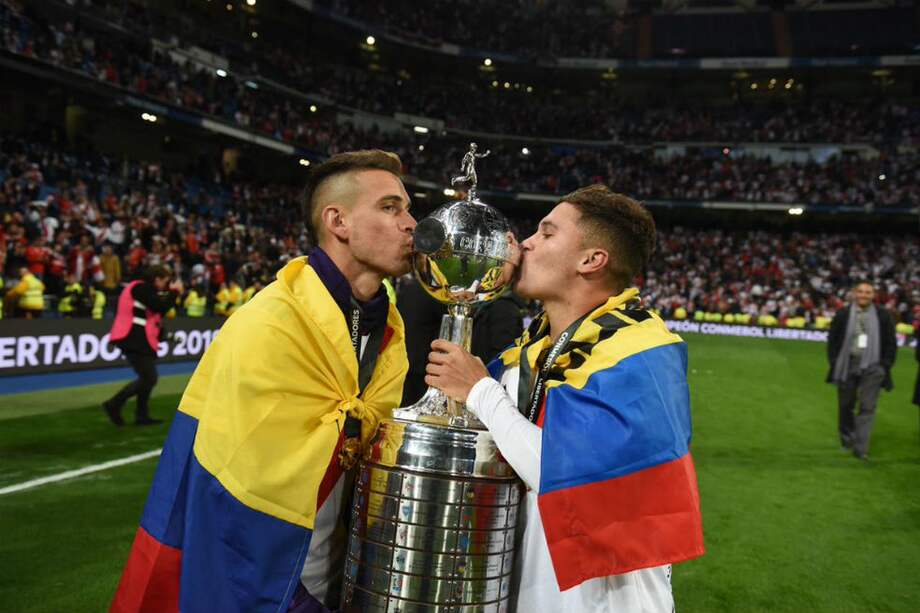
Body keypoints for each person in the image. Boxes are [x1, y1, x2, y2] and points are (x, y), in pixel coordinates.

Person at [109, 150, 415, 613]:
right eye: (390, 208)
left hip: (347, 578)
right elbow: (230, 489)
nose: (411, 222)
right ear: (339, 222)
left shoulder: (389, 331)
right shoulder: (270, 323)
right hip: (275, 586)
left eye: (408, 209)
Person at [425, 185, 704, 612]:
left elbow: (569, 472)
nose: (526, 243)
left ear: (591, 260)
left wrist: (481, 391)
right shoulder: (528, 352)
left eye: (547, 233)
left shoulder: (640, 356)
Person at [102, 265, 182, 426]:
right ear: (157, 279)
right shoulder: (140, 287)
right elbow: (160, 307)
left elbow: (154, 317)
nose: (165, 286)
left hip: (140, 339)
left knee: (147, 378)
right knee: (149, 378)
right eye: (164, 282)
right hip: (133, 338)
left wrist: (166, 336)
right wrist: (174, 292)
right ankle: (114, 404)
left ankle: (141, 415)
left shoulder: (143, 290)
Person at [826, 281, 897, 461]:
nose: (864, 295)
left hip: (873, 367)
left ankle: (861, 448)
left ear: (873, 295)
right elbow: (833, 340)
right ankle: (847, 437)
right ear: (854, 293)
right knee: (846, 404)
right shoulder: (843, 314)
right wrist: (835, 362)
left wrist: (884, 366)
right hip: (847, 365)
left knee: (867, 407)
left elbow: (891, 342)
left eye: (868, 292)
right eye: (861, 292)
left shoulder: (883, 315)